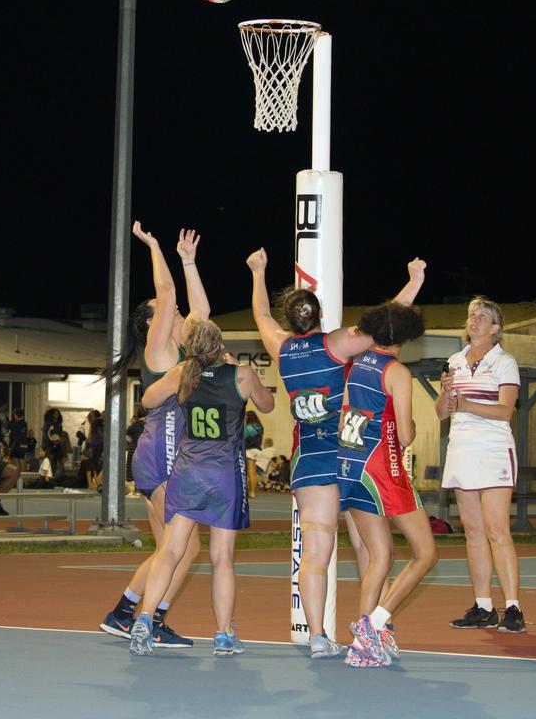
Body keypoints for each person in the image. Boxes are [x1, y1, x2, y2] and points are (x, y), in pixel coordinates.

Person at [246, 247, 426, 658]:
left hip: (309, 457)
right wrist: (413, 283)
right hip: (351, 454)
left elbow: (261, 317)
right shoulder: (338, 343)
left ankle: (316, 636)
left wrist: (258, 273)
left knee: (316, 552)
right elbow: (386, 323)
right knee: (371, 548)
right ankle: (373, 626)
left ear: (291, 319)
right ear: (319, 315)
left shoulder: (281, 348)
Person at [129, 318, 275, 656]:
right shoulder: (240, 374)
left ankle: (144, 620)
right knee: (221, 557)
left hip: (187, 473)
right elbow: (267, 404)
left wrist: (181, 372)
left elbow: (148, 400)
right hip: (225, 476)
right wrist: (235, 366)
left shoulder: (182, 374)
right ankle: (223, 634)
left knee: (170, 551)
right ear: (220, 346)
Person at [99, 224, 208, 649]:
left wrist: (189, 263)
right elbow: (167, 292)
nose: (179, 315)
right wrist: (157, 247)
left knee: (176, 548)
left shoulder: (180, 347)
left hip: (165, 454)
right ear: (152, 323)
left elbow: (200, 309)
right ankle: (148, 617)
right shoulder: (159, 348)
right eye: (169, 313)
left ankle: (126, 611)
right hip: (161, 452)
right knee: (183, 548)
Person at [337, 303, 438, 667]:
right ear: (407, 336)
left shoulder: (356, 364)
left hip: (351, 464)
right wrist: (400, 423)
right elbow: (407, 435)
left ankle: (364, 639)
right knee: (425, 554)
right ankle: (374, 624)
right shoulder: (397, 372)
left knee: (380, 556)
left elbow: (347, 416)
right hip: (383, 468)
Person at [436, 296, 525, 633]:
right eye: (471, 315)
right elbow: (443, 413)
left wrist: (467, 403)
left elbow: (506, 411)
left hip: (493, 450)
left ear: (495, 327)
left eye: (482, 316)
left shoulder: (505, 362)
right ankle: (483, 605)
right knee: (472, 532)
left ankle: (513, 607)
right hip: (461, 449)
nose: (474, 320)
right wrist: (446, 396)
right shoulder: (455, 360)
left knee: (497, 531)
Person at [41, 407, 67, 479]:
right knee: (50, 459)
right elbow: (46, 434)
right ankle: (49, 474)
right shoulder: (48, 423)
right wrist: (50, 442)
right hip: (49, 444)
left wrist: (60, 438)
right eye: (55, 414)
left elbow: (60, 433)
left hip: (57, 444)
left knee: (58, 459)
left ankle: (56, 474)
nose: (56, 415)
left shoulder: (59, 423)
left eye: (57, 414)